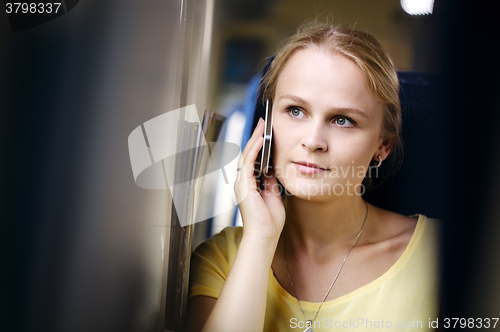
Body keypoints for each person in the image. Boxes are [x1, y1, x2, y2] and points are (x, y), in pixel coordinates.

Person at [185, 20, 440, 332]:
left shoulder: (441, 255)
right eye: (295, 111)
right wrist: (261, 240)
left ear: (382, 146)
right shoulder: (220, 260)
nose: (313, 140)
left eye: (342, 120)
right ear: (264, 128)